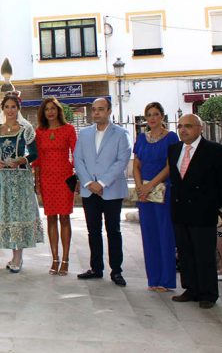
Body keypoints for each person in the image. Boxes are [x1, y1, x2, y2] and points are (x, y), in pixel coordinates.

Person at [74, 97, 132, 286]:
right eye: (94, 109)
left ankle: (116, 271)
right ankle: (96, 268)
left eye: (100, 109)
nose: (96, 113)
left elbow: (122, 161)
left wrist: (103, 183)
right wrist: (90, 182)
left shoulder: (121, 134)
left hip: (111, 190)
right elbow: (78, 159)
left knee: (113, 231)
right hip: (89, 191)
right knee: (93, 231)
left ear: (109, 111)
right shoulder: (84, 134)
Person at [169, 114, 222, 309]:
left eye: (188, 126)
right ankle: (190, 288)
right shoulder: (174, 150)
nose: (183, 130)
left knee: (204, 253)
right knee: (185, 252)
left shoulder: (214, 150)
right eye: (180, 126)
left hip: (203, 210)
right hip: (181, 210)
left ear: (199, 128)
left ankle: (208, 293)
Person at [0, 92, 42, 273]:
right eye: (7, 107)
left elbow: (34, 154)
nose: (10, 110)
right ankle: (14, 255)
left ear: (18, 108)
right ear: (2, 109)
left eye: (13, 107)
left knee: (18, 215)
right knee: (9, 216)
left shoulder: (26, 129)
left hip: (20, 179)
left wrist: (22, 160)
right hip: (4, 179)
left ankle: (18, 257)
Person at [132, 102, 179, 292]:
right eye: (148, 115)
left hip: (162, 191)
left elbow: (170, 166)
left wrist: (150, 185)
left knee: (164, 234)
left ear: (162, 116)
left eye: (156, 114)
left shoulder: (171, 137)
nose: (152, 118)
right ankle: (153, 279)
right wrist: (140, 187)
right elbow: (136, 165)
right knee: (149, 235)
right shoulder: (142, 138)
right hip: (144, 193)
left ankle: (166, 281)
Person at [32, 97, 77, 276]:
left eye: (53, 108)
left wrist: (77, 176)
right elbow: (37, 160)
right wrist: (37, 183)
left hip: (65, 178)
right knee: (51, 218)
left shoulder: (68, 130)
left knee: (64, 218)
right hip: (47, 179)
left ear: (58, 111)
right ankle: (55, 259)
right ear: (43, 113)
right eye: (47, 109)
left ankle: (65, 260)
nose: (50, 112)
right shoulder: (40, 132)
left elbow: (76, 153)